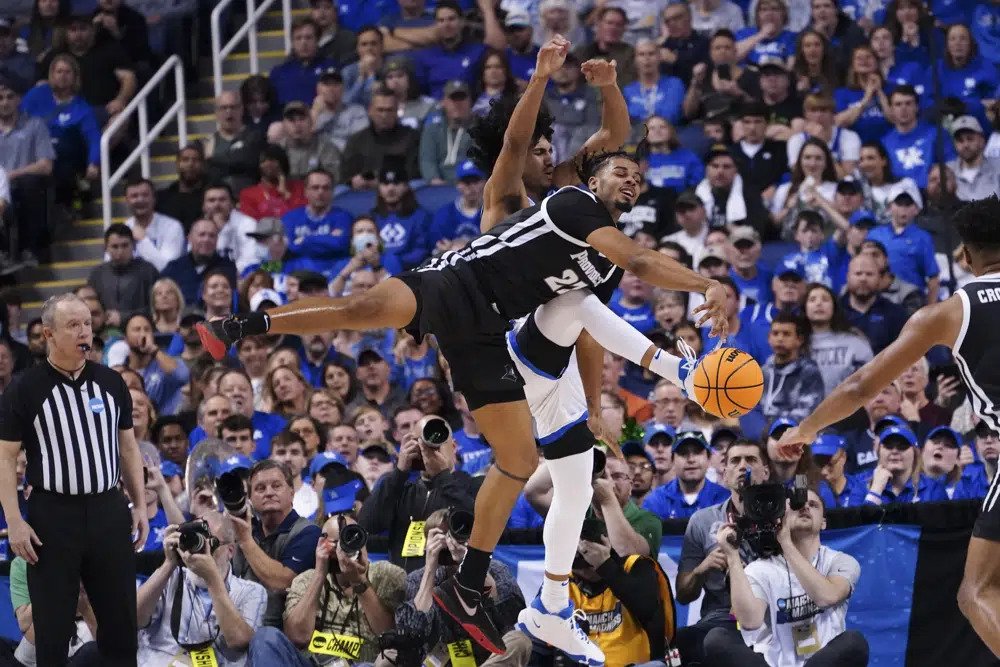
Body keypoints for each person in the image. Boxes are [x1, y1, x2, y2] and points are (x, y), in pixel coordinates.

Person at [196, 40, 728, 657]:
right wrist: (541, 78)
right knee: (360, 310)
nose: (549, 154)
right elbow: (543, 150)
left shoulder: (590, 222)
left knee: (534, 464)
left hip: (500, 339)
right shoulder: (531, 197)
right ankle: (241, 326)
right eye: (540, 148)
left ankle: (488, 587)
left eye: (552, 148)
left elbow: (612, 154)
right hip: (466, 297)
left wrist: (590, 404)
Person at [771, 196, 1000, 656]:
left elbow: (860, 386)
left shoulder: (949, 312)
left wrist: (806, 429)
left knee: (976, 591)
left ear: (965, 256)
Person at [0, 294, 148, 667]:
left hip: (107, 509)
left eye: (87, 324)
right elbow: (5, 457)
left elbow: (128, 448)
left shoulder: (111, 382)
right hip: (53, 515)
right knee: (52, 629)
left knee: (120, 626)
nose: (84, 332)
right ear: (48, 333)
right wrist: (14, 520)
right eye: (73, 325)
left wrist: (139, 504)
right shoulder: (24, 388)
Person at [704, 489, 869, 667]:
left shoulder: (840, 562)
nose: (805, 507)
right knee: (716, 639)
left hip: (823, 662)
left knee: (854, 642)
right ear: (782, 516)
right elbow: (750, 622)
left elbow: (827, 597)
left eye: (813, 505)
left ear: (823, 523)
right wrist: (732, 556)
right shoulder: (760, 569)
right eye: (797, 506)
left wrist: (786, 543)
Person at [247, 512, 407, 665]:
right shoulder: (306, 579)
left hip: (365, 664)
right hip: (313, 663)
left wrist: (359, 582)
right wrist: (319, 574)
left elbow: (389, 635)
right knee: (265, 637)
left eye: (354, 539)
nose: (345, 549)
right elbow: (297, 637)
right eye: (337, 544)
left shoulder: (387, 575)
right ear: (322, 545)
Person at [672, 439, 771, 664]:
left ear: (765, 472)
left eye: (751, 460)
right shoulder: (702, 520)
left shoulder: (782, 516)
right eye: (735, 461)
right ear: (724, 475)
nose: (743, 466)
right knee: (682, 640)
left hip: (772, 613)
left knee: (716, 641)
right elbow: (683, 594)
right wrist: (702, 569)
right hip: (721, 617)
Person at [394, 508, 529, 663]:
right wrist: (430, 566)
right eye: (441, 536)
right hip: (441, 659)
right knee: (394, 653)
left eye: (454, 535)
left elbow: (511, 614)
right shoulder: (417, 579)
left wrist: (472, 562)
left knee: (519, 640)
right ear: (427, 543)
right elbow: (412, 631)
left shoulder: (495, 569)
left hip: (489, 659)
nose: (450, 543)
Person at [135, 512, 266, 666]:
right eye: (197, 540)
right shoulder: (169, 577)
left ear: (230, 551)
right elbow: (133, 619)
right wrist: (168, 564)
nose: (202, 549)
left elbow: (238, 641)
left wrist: (212, 580)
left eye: (210, 543)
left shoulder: (252, 592)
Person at [358, 416, 479, 570]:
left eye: (436, 445)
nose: (428, 451)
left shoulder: (472, 485)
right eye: (421, 444)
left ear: (454, 447)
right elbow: (367, 525)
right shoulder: (400, 489)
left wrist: (442, 477)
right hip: (403, 581)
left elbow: (478, 526)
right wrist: (400, 472)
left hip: (450, 580)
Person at [561, 518, 676, 666]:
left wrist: (605, 566)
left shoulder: (635, 567)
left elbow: (648, 609)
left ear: (605, 544)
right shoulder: (564, 581)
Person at [229, 459, 321, 627]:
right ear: (250, 498)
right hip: (241, 626)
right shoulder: (245, 531)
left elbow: (282, 583)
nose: (269, 493)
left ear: (292, 492)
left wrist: (246, 541)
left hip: (284, 632)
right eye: (260, 488)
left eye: (276, 486)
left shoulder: (309, 532)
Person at [641, 430, 729, 519]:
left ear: (709, 459)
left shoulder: (725, 499)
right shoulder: (656, 500)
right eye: (683, 453)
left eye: (697, 452)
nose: (691, 459)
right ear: (672, 461)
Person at [759, 311, 824, 423]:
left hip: (793, 430)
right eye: (775, 333)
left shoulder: (809, 371)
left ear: (799, 340)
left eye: (786, 334)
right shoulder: (763, 371)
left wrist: (772, 425)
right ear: (769, 338)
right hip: (761, 429)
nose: (780, 339)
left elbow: (807, 413)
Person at [86, 224, 159, 321]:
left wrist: (124, 317)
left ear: (134, 245)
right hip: (105, 327)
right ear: (106, 248)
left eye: (125, 245)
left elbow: (156, 307)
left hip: (141, 326)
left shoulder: (148, 271)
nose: (120, 251)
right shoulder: (97, 275)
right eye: (115, 247)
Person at [161, 219, 239, 305]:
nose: (206, 239)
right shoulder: (173, 269)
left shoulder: (228, 269)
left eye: (212, 236)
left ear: (217, 240)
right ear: (189, 238)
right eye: (202, 235)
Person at [121, 178, 185, 272]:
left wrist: (143, 241)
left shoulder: (172, 227)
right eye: (134, 196)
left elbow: (167, 269)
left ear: (154, 199)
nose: (140, 199)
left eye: (145, 195)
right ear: (126, 201)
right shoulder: (122, 229)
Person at [946, 115, 1000, 202]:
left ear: (982, 140)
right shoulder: (947, 171)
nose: (965, 145)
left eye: (970, 139)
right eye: (960, 140)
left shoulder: (997, 167)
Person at [157, 143, 208, 232]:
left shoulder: (210, 197)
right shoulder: (163, 198)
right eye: (185, 160)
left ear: (203, 165)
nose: (190, 164)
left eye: (195, 160)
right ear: (177, 164)